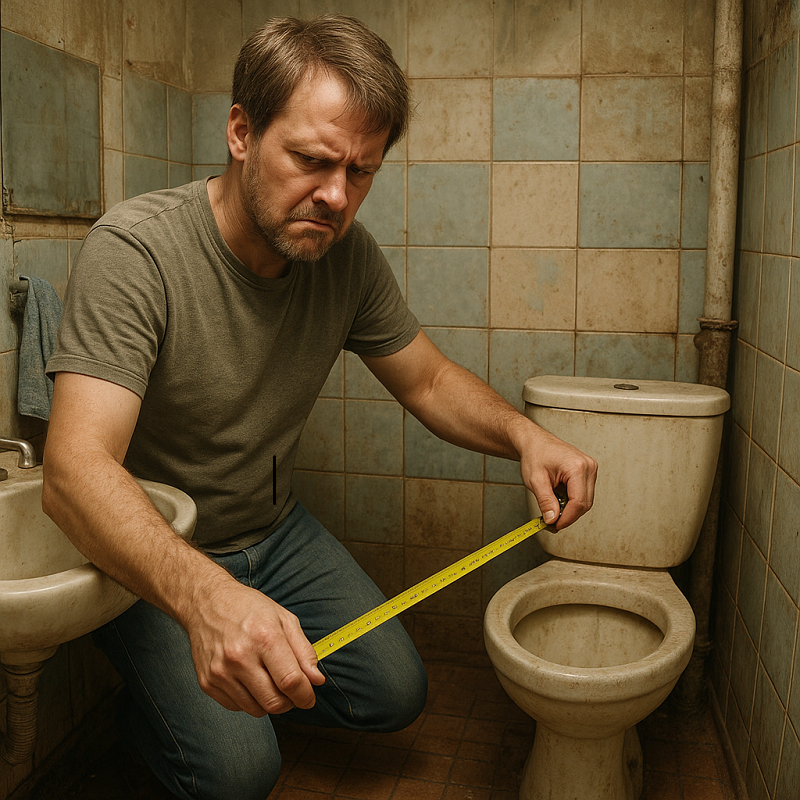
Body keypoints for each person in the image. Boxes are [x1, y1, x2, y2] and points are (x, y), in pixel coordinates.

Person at [42, 14, 597, 800]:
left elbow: (428, 381)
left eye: (360, 172)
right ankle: (162, 722)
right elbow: (72, 471)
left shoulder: (346, 259)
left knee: (394, 694)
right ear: (241, 132)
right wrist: (208, 600)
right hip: (155, 552)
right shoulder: (136, 253)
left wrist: (525, 437)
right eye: (311, 159)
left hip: (275, 534)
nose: (336, 196)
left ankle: (233, 699)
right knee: (240, 775)